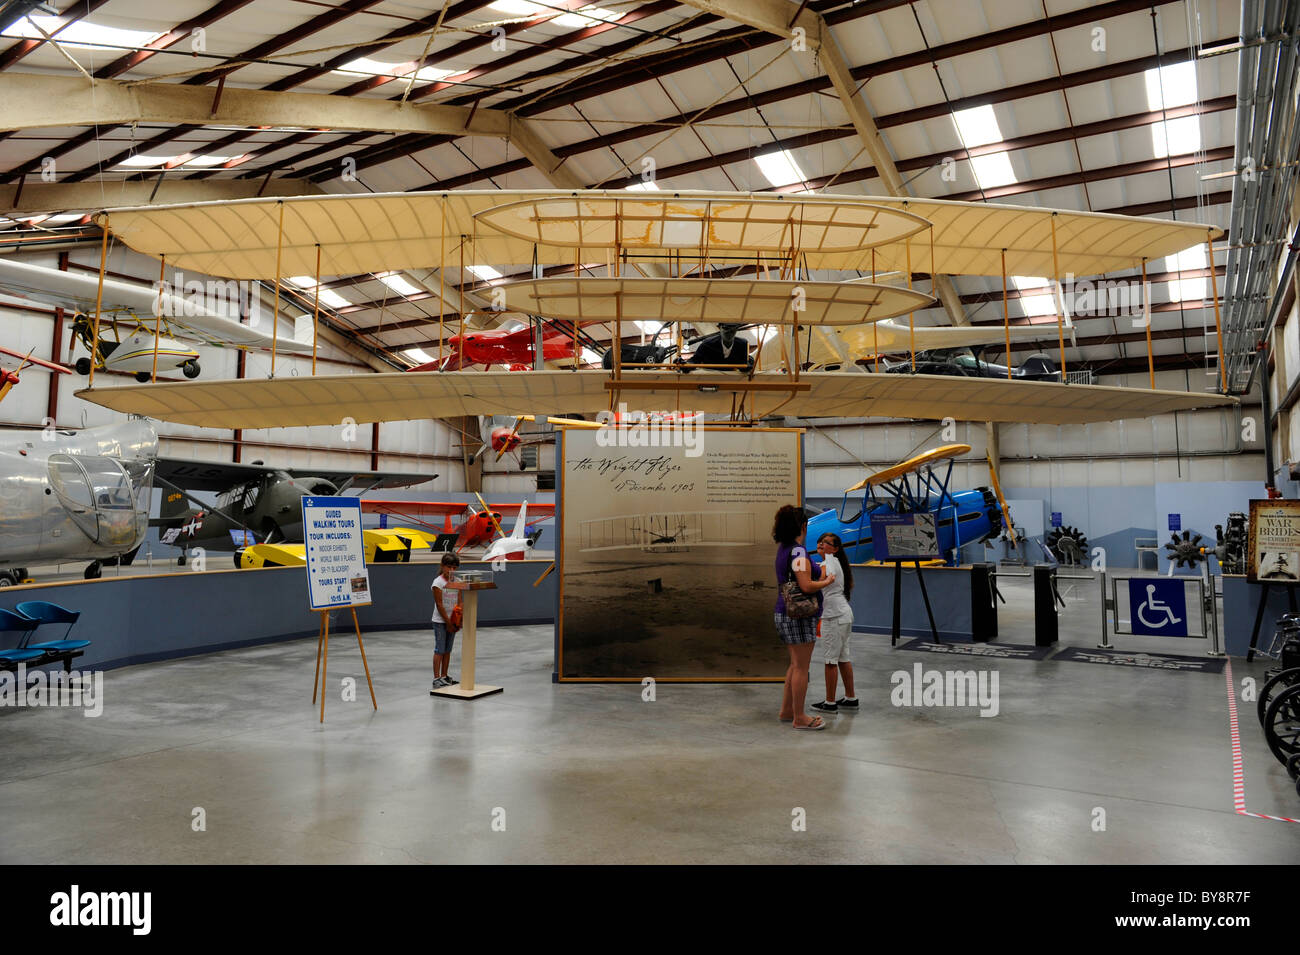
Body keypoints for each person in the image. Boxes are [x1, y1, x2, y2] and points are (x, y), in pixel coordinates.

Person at [772, 504, 836, 730]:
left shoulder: (784, 549)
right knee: (801, 667)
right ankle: (800, 717)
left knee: (795, 665)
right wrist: (826, 582)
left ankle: (788, 710)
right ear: (802, 526)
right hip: (798, 616)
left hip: (784, 612)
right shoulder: (798, 551)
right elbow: (806, 585)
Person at [811, 533, 858, 714]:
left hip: (834, 617)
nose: (821, 544)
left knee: (830, 660)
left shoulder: (830, 561)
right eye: (820, 541)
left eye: (827, 543)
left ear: (835, 549)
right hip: (843, 614)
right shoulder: (834, 562)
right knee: (842, 658)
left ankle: (830, 702)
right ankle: (850, 697)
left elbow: (819, 579)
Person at [430, 553, 462, 692]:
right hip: (440, 621)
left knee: (448, 650)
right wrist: (448, 622)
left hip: (452, 620)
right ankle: (436, 678)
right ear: (443, 566)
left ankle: (445, 675)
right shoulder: (438, 582)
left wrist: (458, 620)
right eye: (449, 567)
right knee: (440, 649)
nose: (452, 570)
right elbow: (439, 604)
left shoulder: (458, 580)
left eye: (455, 567)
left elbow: (460, 600)